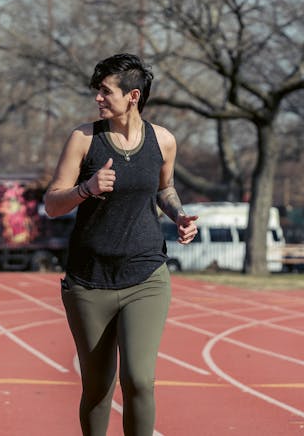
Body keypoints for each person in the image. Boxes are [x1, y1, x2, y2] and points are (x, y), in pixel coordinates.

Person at [44, 53, 198, 436]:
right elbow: (51, 203)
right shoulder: (84, 139)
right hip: (89, 280)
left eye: (106, 91)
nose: (98, 98)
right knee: (97, 387)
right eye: (97, 90)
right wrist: (86, 189)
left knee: (140, 380)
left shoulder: (163, 140)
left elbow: (165, 188)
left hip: (146, 276)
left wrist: (178, 215)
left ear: (132, 95)